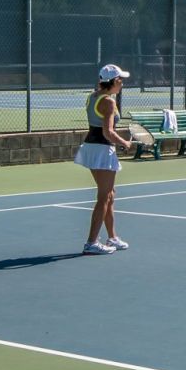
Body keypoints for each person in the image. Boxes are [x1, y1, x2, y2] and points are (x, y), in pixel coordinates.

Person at [78, 64, 135, 255]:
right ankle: (91, 242)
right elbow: (108, 132)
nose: (122, 83)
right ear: (114, 81)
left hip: (92, 148)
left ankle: (112, 237)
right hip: (102, 149)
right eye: (121, 79)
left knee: (110, 194)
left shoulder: (92, 96)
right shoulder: (109, 102)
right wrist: (124, 144)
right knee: (104, 197)